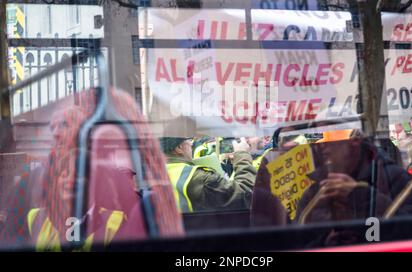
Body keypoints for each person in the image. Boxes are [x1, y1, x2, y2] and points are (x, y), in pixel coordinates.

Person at [23, 88, 184, 251]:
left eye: (64, 125)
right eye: (52, 128)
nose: (55, 134)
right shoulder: (35, 214)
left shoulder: (120, 204)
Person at [160, 136, 257, 212]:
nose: (191, 143)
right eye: (188, 139)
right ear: (179, 148)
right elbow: (245, 194)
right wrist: (242, 154)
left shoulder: (157, 174)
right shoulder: (199, 177)